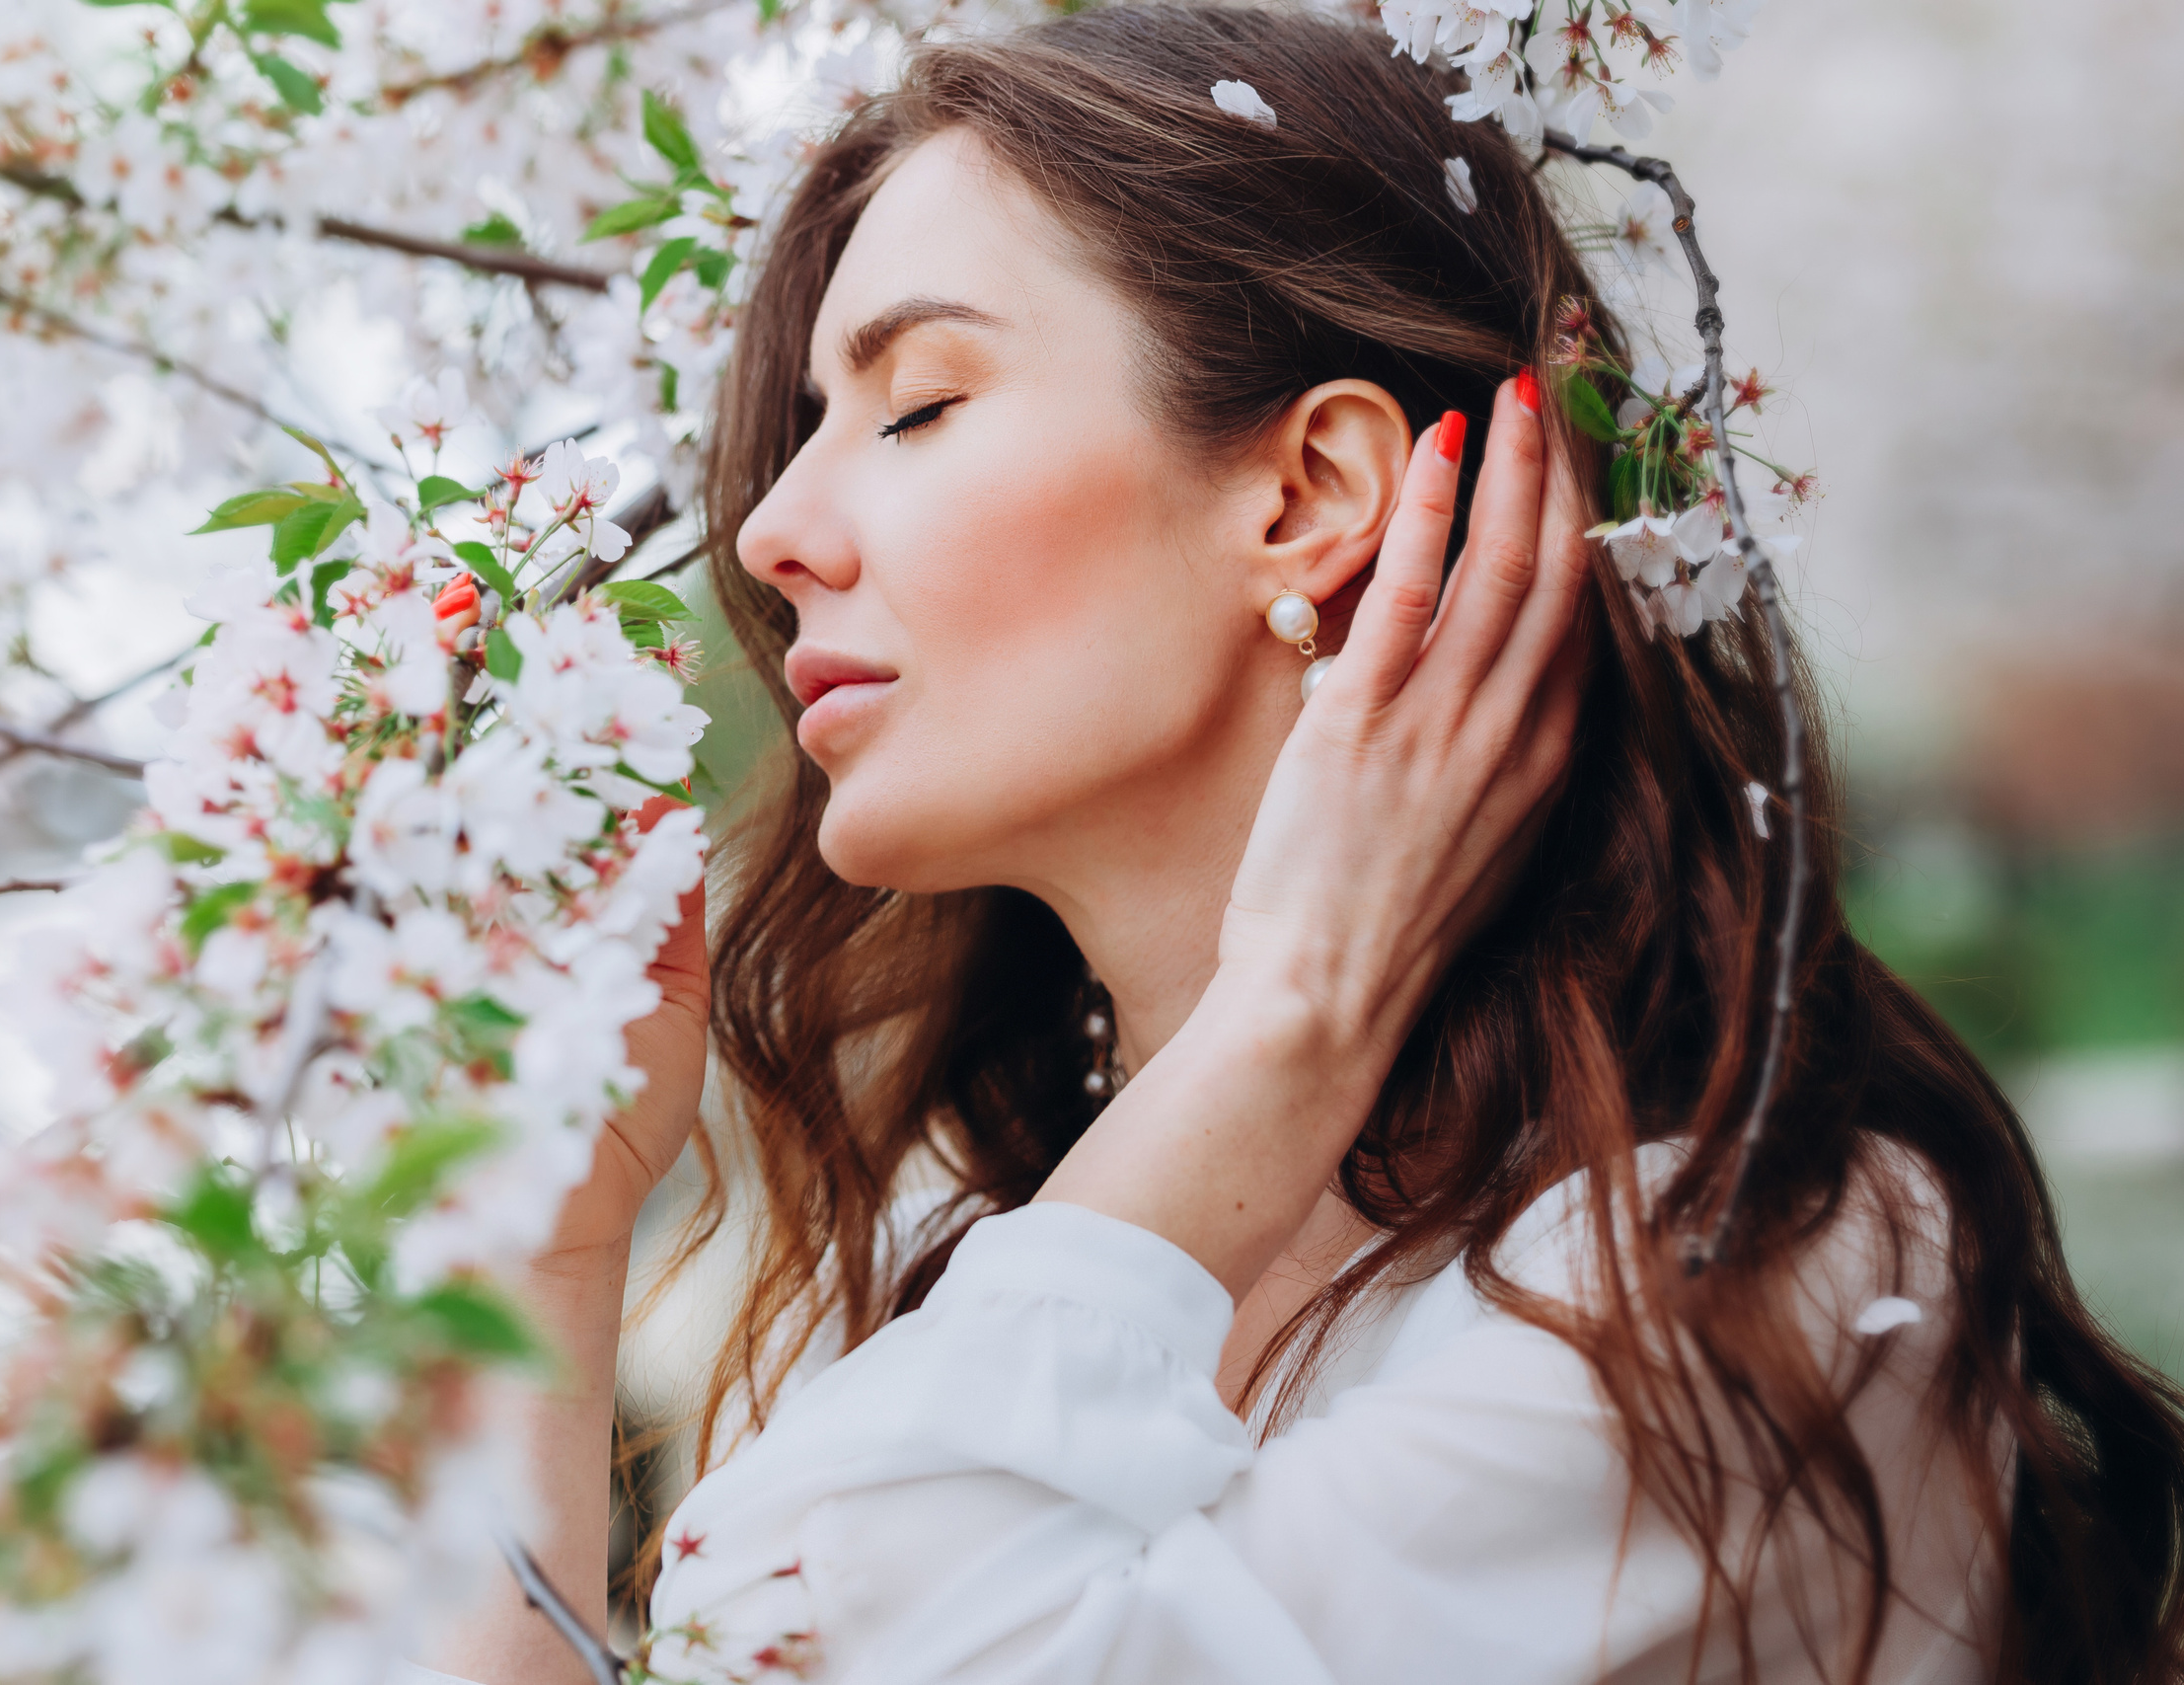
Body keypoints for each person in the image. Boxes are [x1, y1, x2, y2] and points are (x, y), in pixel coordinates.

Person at [425, 8, 2184, 1682]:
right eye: (806, 429)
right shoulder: (965, 1242)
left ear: (1307, 497)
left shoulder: (1744, 1282)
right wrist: (550, 1262)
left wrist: (1287, 1021)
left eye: (918, 405)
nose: (777, 530)